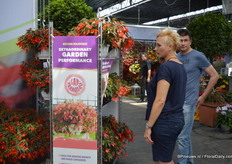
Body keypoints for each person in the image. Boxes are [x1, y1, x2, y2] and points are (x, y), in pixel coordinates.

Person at [144, 29, 187, 164]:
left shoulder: (166, 68)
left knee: (164, 161)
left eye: (159, 45)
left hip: (165, 121)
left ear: (170, 46)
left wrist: (148, 126)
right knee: (164, 159)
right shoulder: (180, 66)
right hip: (175, 119)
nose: (156, 48)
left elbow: (160, 100)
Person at [176, 29, 219, 164]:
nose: (183, 43)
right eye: (180, 40)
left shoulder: (198, 56)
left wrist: (203, 96)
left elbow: (214, 75)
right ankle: (189, 162)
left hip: (189, 102)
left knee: (182, 137)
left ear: (190, 41)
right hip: (177, 102)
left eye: (185, 40)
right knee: (185, 136)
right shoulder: (176, 57)